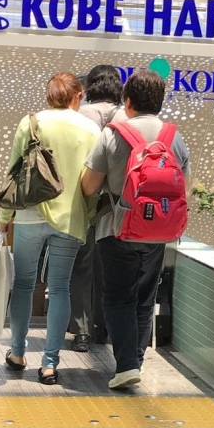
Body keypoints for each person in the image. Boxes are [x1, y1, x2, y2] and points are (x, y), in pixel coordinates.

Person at [80, 68, 190, 390]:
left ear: (127, 101)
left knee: (117, 297)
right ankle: (135, 362)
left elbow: (89, 186)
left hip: (118, 228)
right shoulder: (173, 136)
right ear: (160, 102)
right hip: (158, 231)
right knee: (144, 297)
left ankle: (127, 365)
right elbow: (184, 186)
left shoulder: (113, 134)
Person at [1, 72, 101, 386]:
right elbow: (93, 180)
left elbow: (13, 171)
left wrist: (5, 217)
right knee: (59, 288)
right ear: (78, 95)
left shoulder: (31, 123)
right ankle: (49, 364)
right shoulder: (91, 129)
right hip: (70, 218)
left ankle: (18, 353)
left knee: (23, 284)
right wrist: (88, 215)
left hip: (30, 214)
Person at [68, 65, 125, 352]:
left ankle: (81, 331)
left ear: (89, 86)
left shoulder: (80, 115)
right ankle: (105, 328)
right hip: (117, 205)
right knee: (110, 266)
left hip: (84, 199)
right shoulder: (126, 117)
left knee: (81, 265)